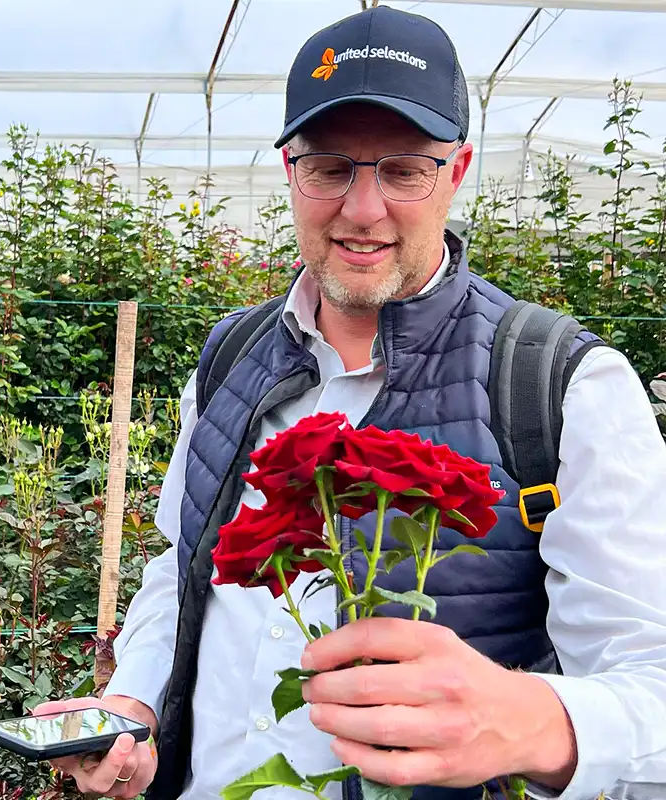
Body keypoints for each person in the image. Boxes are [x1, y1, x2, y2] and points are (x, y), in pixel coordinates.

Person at [33, 6, 666, 799]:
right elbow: (179, 567)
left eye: (404, 169)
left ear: (458, 171)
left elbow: (652, 685)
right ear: (291, 169)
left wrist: (538, 722)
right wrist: (136, 703)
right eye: (330, 167)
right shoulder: (230, 355)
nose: (362, 211)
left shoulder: (560, 383)